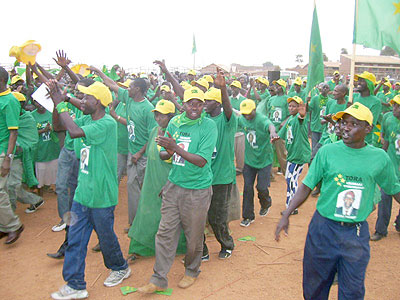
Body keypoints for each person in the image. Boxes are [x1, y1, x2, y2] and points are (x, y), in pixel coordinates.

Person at [275, 102, 400, 300]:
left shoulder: (379, 158)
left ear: (368, 128)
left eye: (354, 123)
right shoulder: (327, 152)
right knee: (314, 288)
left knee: (352, 292)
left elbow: (394, 189)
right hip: (323, 229)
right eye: (343, 122)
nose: (345, 127)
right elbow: (307, 185)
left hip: (355, 234)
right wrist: (287, 213)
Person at [47, 80, 130, 300]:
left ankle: (120, 266)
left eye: (88, 98)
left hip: (102, 195)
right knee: (75, 238)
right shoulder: (87, 119)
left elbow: (73, 131)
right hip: (83, 194)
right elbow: (70, 124)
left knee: (105, 237)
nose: (83, 101)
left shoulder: (107, 124)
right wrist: (62, 97)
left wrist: (61, 103)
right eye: (82, 97)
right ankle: (75, 284)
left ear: (100, 102)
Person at [138, 86, 217, 293]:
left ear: (203, 106)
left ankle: (192, 271)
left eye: (199, 104)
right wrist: (163, 146)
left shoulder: (208, 126)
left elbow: (201, 161)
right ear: (183, 104)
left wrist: (174, 148)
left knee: (193, 236)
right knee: (165, 232)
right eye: (191, 103)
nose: (195, 107)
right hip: (174, 185)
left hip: (197, 190)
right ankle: (158, 278)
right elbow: (167, 156)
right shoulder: (175, 122)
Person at [90, 66, 157, 227]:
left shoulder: (148, 109)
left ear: (139, 90)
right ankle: (135, 223)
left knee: (144, 190)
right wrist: (99, 72)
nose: (128, 89)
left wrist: (139, 154)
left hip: (142, 156)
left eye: (131, 86)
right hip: (132, 153)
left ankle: (147, 223)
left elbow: (152, 135)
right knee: (132, 187)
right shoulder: (129, 98)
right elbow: (113, 84)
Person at [128, 99, 186, 257]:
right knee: (147, 210)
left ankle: (176, 247)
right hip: (151, 178)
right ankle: (142, 246)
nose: (158, 118)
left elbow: (178, 160)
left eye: (162, 115)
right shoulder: (155, 130)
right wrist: (140, 153)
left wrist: (169, 183)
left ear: (171, 116)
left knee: (169, 214)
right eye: (156, 115)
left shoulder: (175, 133)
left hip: (167, 179)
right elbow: (149, 143)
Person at [203, 68, 237, 259]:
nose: (205, 104)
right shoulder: (204, 120)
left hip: (222, 177)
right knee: (199, 217)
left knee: (218, 217)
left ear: (217, 103)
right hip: (204, 176)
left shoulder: (227, 121)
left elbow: (228, 107)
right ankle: (203, 251)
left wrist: (223, 89)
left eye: (208, 101)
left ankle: (226, 244)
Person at [238, 99, 278, 227]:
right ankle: (248, 216)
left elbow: (270, 125)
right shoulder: (242, 119)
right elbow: (233, 117)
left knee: (261, 187)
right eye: (244, 114)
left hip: (264, 160)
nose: (246, 116)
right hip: (249, 161)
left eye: (249, 113)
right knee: (247, 188)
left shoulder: (261, 119)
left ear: (255, 110)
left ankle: (266, 202)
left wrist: (273, 133)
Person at [370, 95, 400, 241]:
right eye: (394, 105)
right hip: (391, 168)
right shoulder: (388, 119)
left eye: (398, 106)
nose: (395, 108)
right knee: (384, 198)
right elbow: (386, 142)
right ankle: (380, 230)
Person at [0, 66, 24, 244]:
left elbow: (13, 133)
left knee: (0, 191)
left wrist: (8, 159)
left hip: (2, 151)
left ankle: (14, 225)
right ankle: (4, 226)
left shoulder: (10, 101)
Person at [275, 96, 311, 215]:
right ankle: (290, 204)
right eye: (290, 106)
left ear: (299, 108)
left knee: (292, 180)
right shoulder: (290, 119)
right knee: (289, 178)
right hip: (292, 154)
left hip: (299, 155)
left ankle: (292, 206)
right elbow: (282, 133)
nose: (291, 108)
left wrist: (302, 115)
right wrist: (275, 137)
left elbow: (301, 119)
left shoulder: (299, 119)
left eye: (294, 106)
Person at [353, 71, 382, 145]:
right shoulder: (353, 97)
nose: (358, 83)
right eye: (358, 80)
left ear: (369, 84)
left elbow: (370, 125)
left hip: (363, 142)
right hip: (349, 140)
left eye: (362, 81)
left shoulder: (375, 102)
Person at [268, 79, 289, 174]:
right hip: (272, 128)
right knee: (269, 150)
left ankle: (286, 172)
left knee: (281, 152)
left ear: (283, 88)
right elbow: (269, 113)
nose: (276, 87)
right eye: (276, 85)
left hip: (281, 130)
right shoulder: (271, 99)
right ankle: (269, 173)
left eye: (279, 85)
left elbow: (290, 115)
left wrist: (284, 122)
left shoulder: (287, 99)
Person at [308, 83, 329, 160]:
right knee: (314, 147)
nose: (325, 89)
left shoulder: (330, 101)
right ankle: (314, 162)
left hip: (324, 129)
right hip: (315, 126)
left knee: (322, 146)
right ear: (320, 89)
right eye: (324, 87)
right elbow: (309, 110)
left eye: (327, 88)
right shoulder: (315, 99)